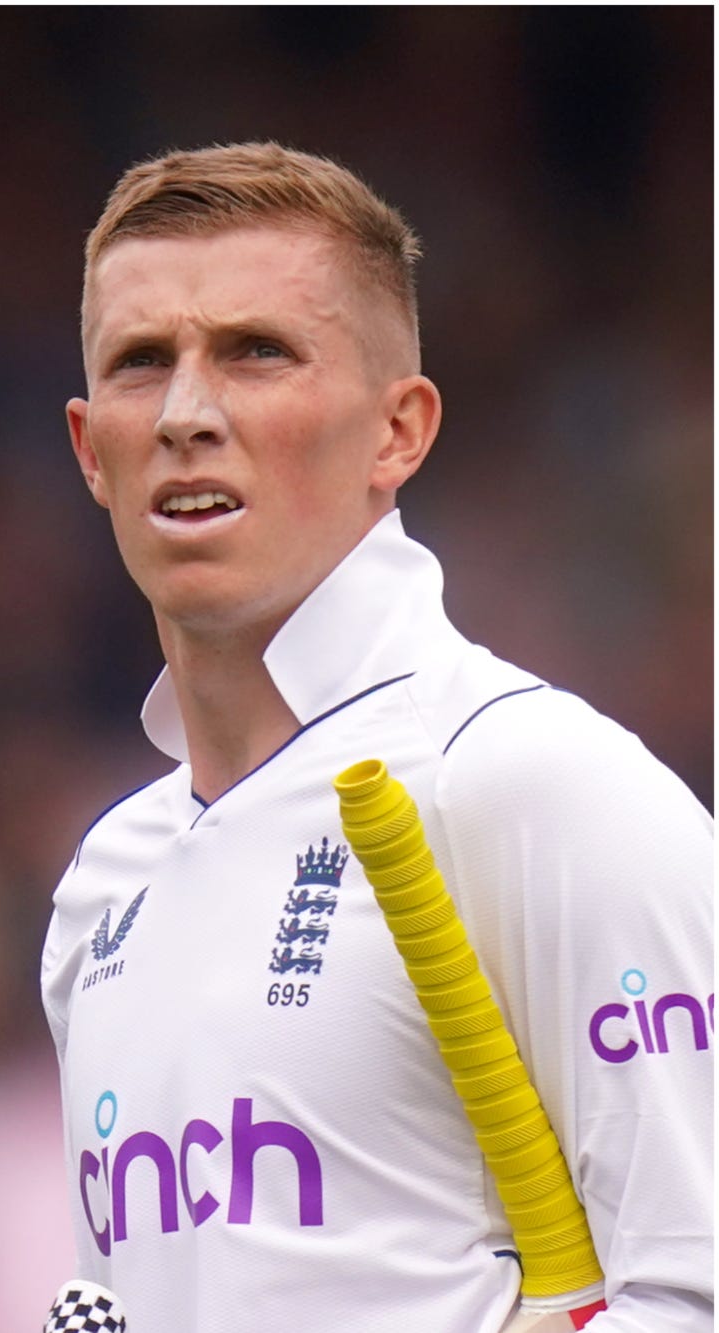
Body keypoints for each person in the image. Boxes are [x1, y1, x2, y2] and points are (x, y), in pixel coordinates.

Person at [39, 142, 711, 1330]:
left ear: (398, 431)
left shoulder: (527, 785)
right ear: (91, 450)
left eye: (256, 352)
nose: (188, 413)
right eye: (142, 364)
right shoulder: (102, 889)